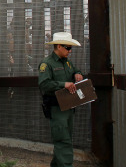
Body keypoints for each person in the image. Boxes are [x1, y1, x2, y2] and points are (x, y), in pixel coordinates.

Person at [38, 32, 82, 167]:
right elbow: (44, 84)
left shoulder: (67, 62)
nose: (70, 51)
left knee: (66, 137)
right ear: (58, 46)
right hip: (56, 107)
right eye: (67, 47)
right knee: (63, 140)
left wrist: (77, 73)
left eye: (70, 48)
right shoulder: (47, 64)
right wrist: (63, 84)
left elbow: (75, 69)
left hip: (68, 106)